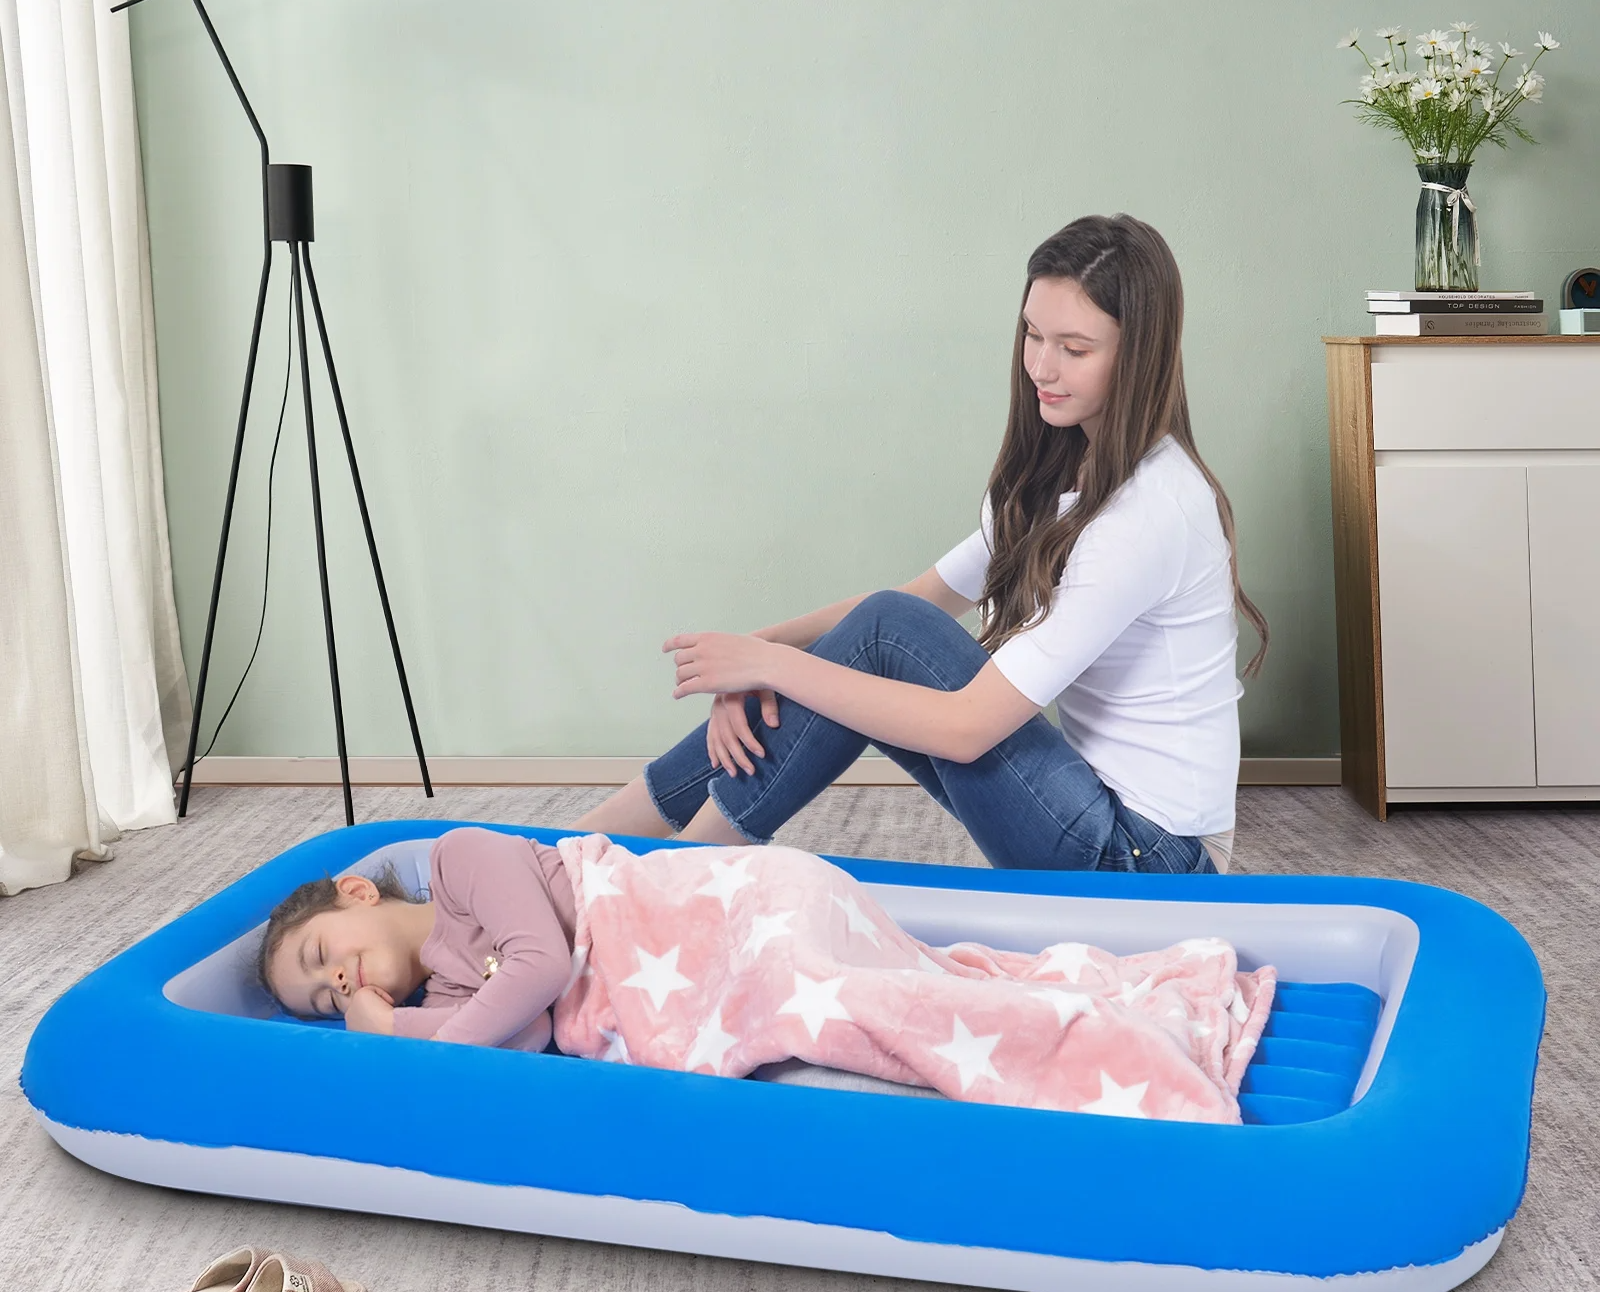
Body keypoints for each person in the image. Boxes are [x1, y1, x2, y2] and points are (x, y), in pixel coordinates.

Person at [571, 213, 1268, 874]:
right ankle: (590, 843)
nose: (1041, 367)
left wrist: (771, 666)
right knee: (884, 624)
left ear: (1139, 356)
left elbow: (967, 726)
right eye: (1032, 335)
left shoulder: (1150, 510)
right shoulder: (1066, 474)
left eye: (1075, 349)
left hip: (1152, 858)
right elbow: (924, 598)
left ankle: (668, 870)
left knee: (885, 629)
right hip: (1098, 813)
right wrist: (749, 661)